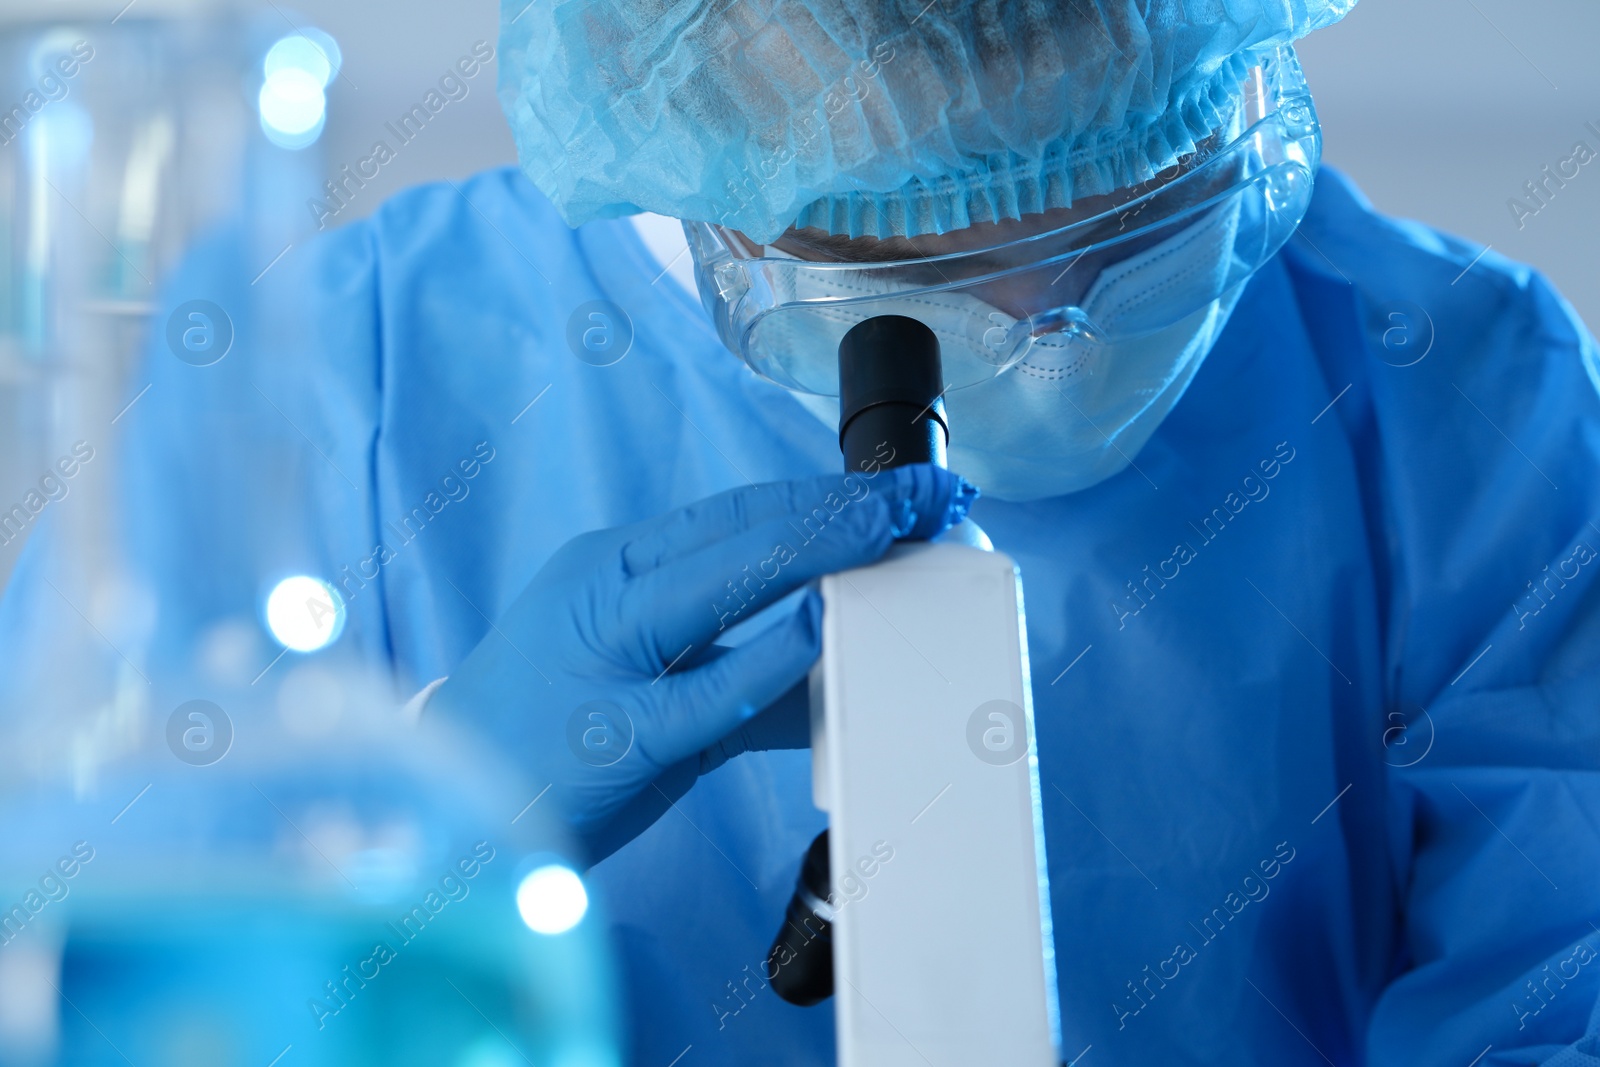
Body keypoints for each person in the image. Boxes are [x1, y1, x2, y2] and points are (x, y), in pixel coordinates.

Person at [4, 1, 1599, 1063]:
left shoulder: (1459, 395)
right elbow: (77, 984)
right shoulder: (331, 383)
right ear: (692, 167)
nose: (1045, 335)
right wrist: (411, 841)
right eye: (895, 272)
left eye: (1142, 225)